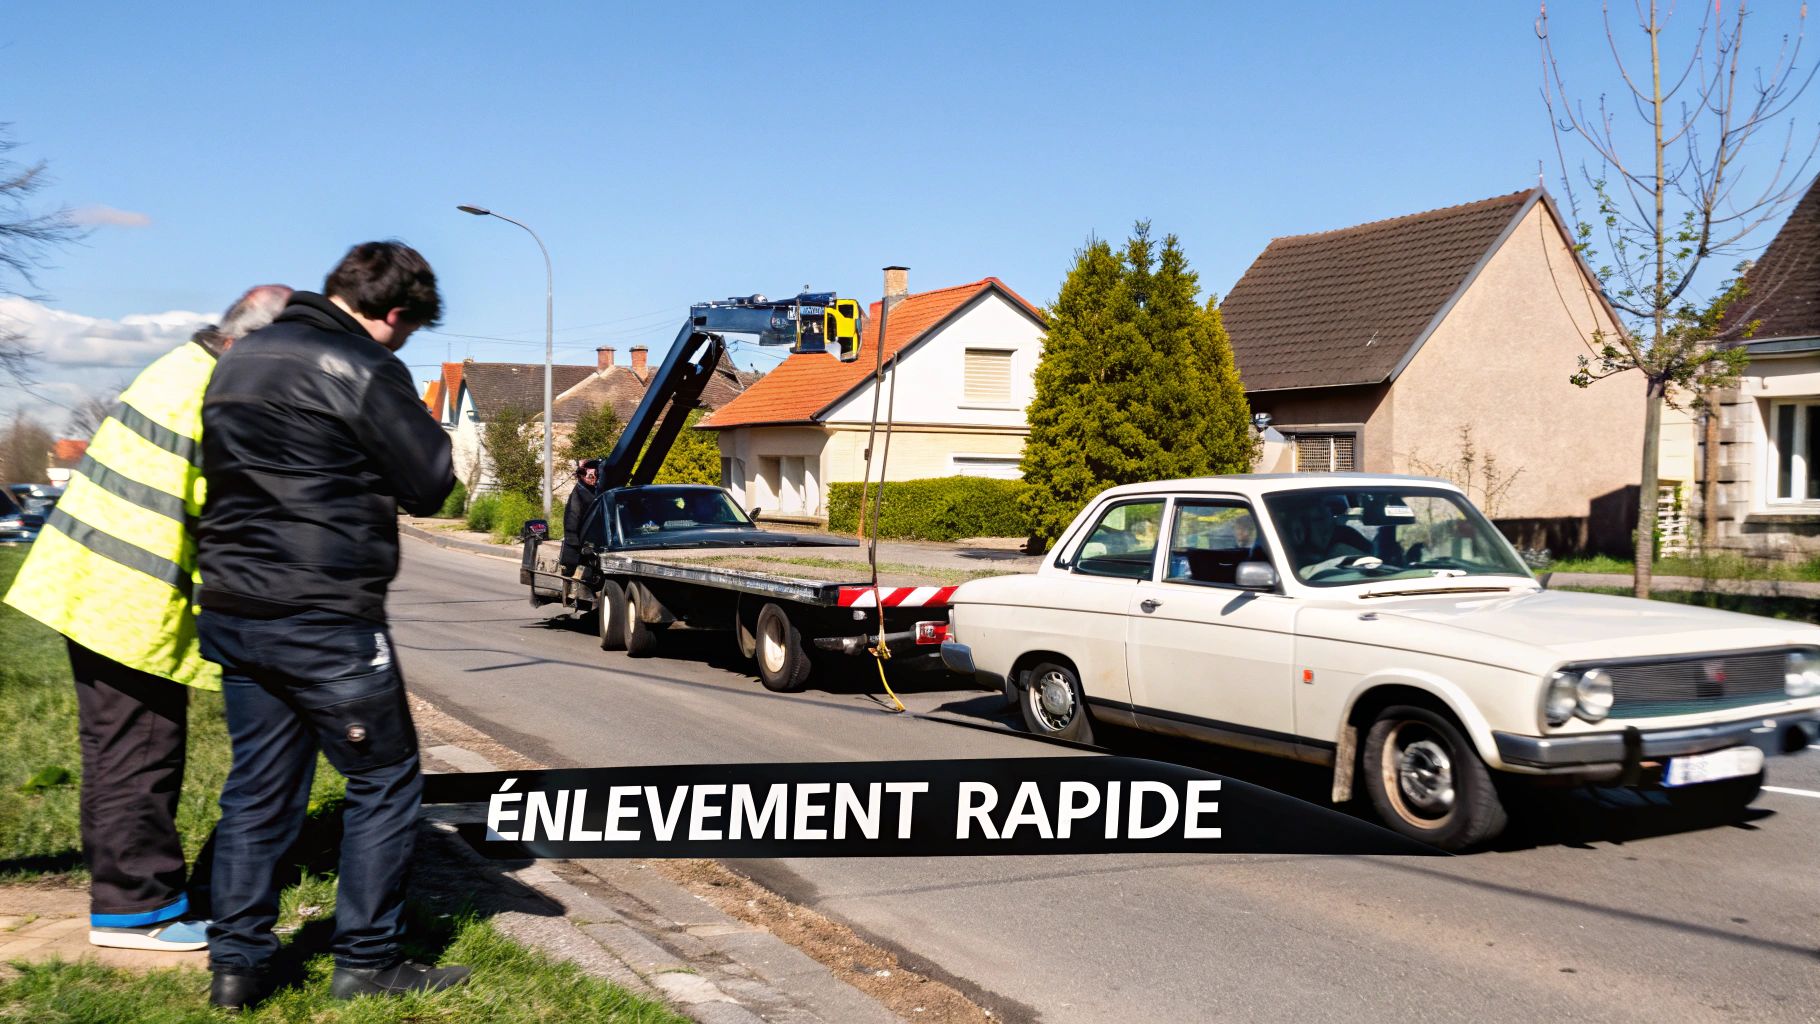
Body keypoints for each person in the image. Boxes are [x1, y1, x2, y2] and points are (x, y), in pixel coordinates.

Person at [194, 243, 467, 1010]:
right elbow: (430, 483)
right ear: (392, 315)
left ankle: (236, 967)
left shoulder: (239, 360)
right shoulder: (366, 367)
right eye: (409, 331)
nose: (406, 343)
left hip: (237, 607)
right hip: (325, 615)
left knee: (258, 789)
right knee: (384, 779)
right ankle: (367, 962)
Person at [2, 286, 293, 953]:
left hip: (99, 585)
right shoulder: (213, 391)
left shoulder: (181, 368)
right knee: (139, 754)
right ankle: (140, 910)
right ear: (248, 342)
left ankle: (132, 897)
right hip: (124, 599)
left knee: (120, 751)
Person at [559, 459, 602, 595]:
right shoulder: (580, 492)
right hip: (578, 546)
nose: (594, 478)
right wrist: (575, 544)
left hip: (591, 542)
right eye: (590, 475)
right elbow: (572, 518)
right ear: (582, 475)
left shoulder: (593, 491)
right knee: (579, 577)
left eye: (596, 475)